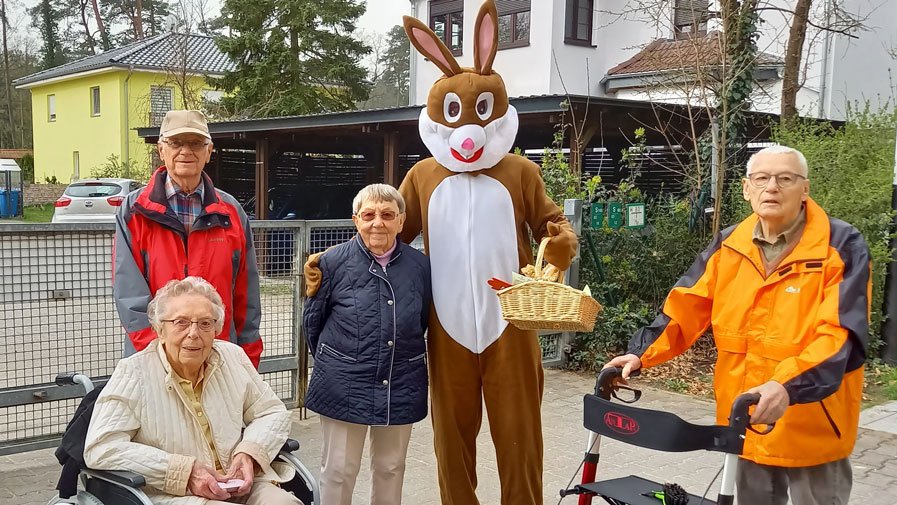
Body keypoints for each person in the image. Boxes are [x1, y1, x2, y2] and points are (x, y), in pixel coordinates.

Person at [605, 145, 870, 505]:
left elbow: (839, 335)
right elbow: (686, 306)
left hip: (813, 423)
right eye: (762, 178)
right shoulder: (730, 243)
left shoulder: (840, 245)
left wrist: (787, 385)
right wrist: (640, 354)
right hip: (747, 421)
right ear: (747, 189)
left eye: (785, 178)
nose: (772, 187)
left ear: (805, 189)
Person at [398, 3, 578, 503]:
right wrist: (333, 265)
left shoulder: (520, 171)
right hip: (447, 325)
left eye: (480, 112)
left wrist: (560, 246)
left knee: (519, 434)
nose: (469, 131)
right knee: (450, 439)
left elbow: (552, 223)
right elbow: (387, 236)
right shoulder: (422, 176)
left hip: (512, 324)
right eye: (454, 113)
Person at [84, 277, 301, 505]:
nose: (194, 333)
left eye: (205, 323)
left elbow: (272, 412)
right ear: (160, 329)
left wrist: (250, 453)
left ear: (216, 329)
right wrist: (183, 472)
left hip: (240, 482)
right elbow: (102, 448)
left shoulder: (232, 357)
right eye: (181, 322)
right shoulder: (134, 373)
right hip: (177, 494)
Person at [302, 183, 430, 505]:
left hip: (401, 380)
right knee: (339, 470)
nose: (378, 223)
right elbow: (312, 324)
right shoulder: (330, 263)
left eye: (387, 215)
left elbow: (423, 319)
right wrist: (341, 360)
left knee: (391, 467)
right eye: (369, 215)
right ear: (355, 220)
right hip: (343, 381)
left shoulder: (421, 267)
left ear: (401, 221)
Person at [112, 109, 262, 368]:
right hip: (156, 358)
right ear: (161, 150)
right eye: (176, 143)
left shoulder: (231, 212)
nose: (185, 151)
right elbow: (130, 295)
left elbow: (246, 293)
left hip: (218, 355)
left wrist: (247, 359)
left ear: (209, 151)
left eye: (195, 143)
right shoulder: (135, 211)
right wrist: (159, 357)